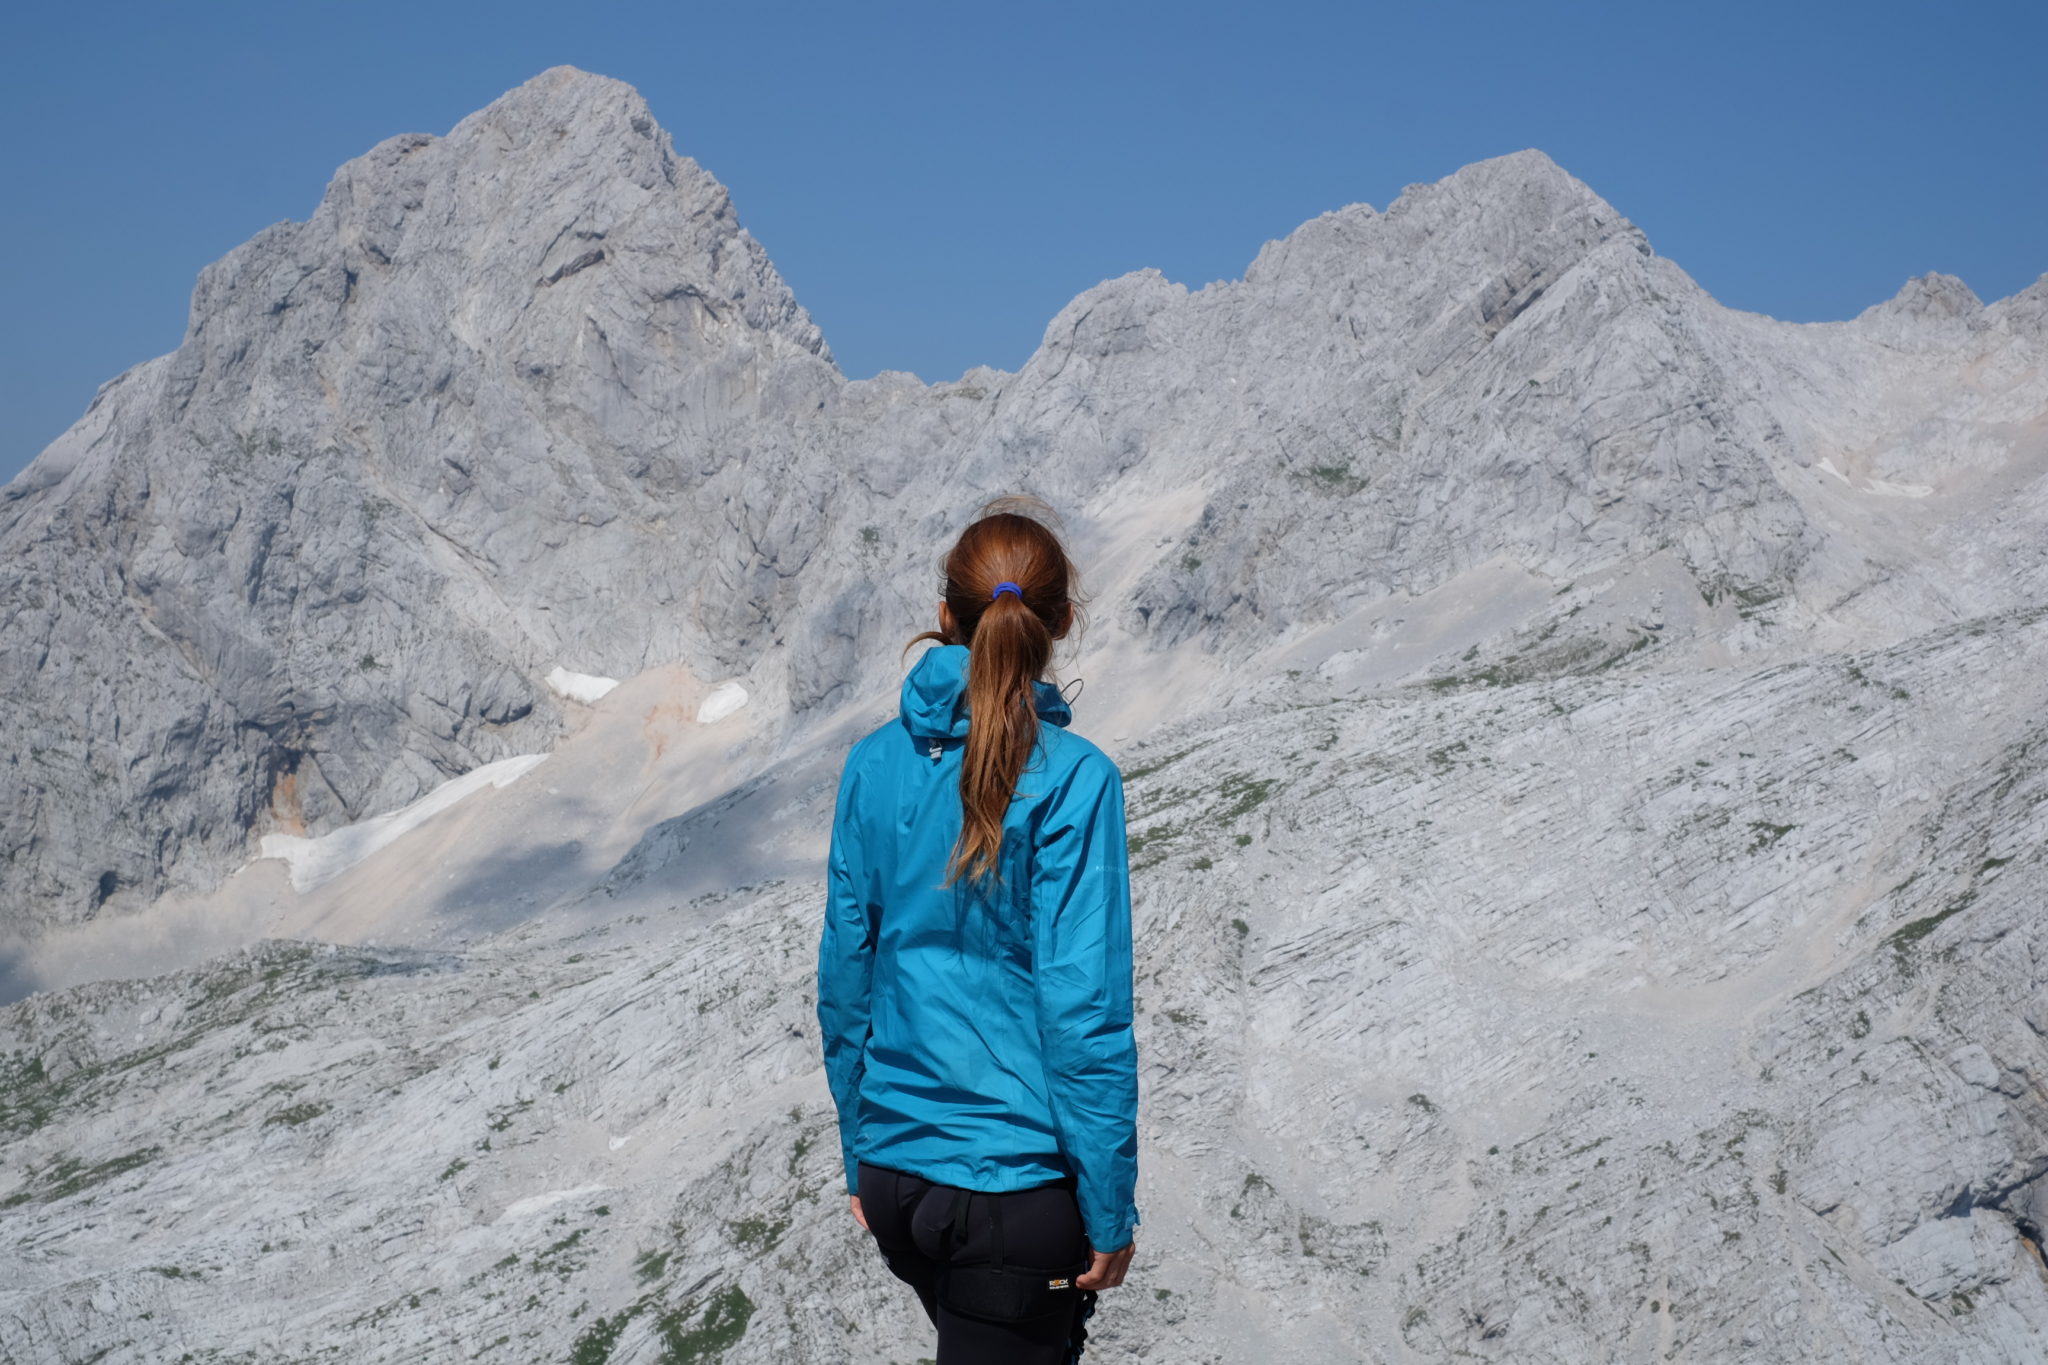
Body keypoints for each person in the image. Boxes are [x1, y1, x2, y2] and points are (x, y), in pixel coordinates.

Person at [816, 493, 1140, 1364]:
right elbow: (1083, 1016)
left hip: (895, 1178)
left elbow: (846, 977)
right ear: (1063, 622)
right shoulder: (1077, 779)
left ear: (943, 615)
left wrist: (861, 1148)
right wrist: (1110, 1208)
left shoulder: (873, 763)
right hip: (1010, 1193)